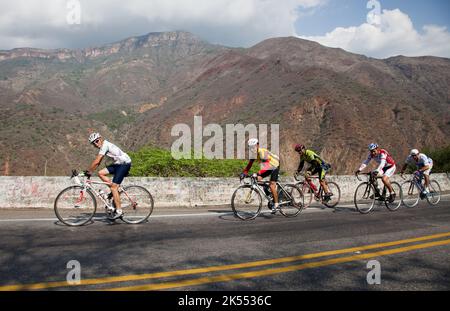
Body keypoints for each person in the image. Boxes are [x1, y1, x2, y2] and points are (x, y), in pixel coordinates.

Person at [86, 133, 132, 219]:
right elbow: (98, 163)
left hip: (124, 164)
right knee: (101, 173)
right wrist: (91, 171)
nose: (96, 144)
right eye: (94, 143)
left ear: (100, 138)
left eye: (97, 141)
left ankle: (119, 211)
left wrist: (89, 171)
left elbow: (97, 161)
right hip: (118, 164)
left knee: (114, 187)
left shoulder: (105, 145)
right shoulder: (104, 145)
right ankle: (112, 193)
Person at [241, 139, 280, 214]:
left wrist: (258, 172)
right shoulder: (253, 154)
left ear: (257, 145)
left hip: (275, 165)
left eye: (253, 147)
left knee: (272, 185)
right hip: (268, 166)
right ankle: (271, 195)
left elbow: (267, 166)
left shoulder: (262, 152)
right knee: (258, 179)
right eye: (250, 147)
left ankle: (276, 204)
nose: (252, 149)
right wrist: (244, 173)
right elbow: (249, 165)